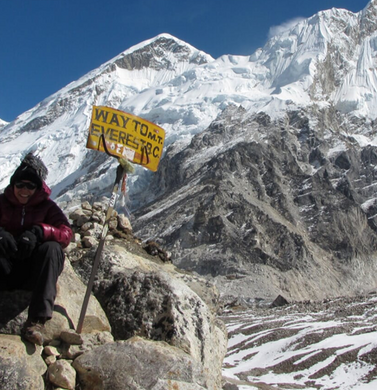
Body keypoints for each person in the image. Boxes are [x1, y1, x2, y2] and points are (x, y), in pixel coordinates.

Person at [0, 152, 72, 345]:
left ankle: (37, 321)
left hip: (34, 272)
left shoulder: (48, 208)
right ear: (13, 185)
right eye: (20, 185)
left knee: (52, 249)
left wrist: (40, 231)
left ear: (38, 187)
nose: (24, 190)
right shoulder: (2, 202)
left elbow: (66, 234)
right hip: (5, 268)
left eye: (30, 186)